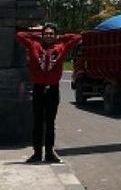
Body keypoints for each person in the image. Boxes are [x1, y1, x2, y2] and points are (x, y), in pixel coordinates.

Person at [15, 23, 82, 163]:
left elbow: (77, 37)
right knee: (37, 122)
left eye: (51, 33)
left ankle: (49, 153)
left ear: (55, 35)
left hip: (53, 89)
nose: (49, 36)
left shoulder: (61, 47)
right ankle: (37, 153)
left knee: (50, 122)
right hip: (38, 88)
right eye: (46, 34)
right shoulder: (34, 45)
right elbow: (19, 35)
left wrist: (61, 37)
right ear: (42, 35)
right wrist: (37, 36)